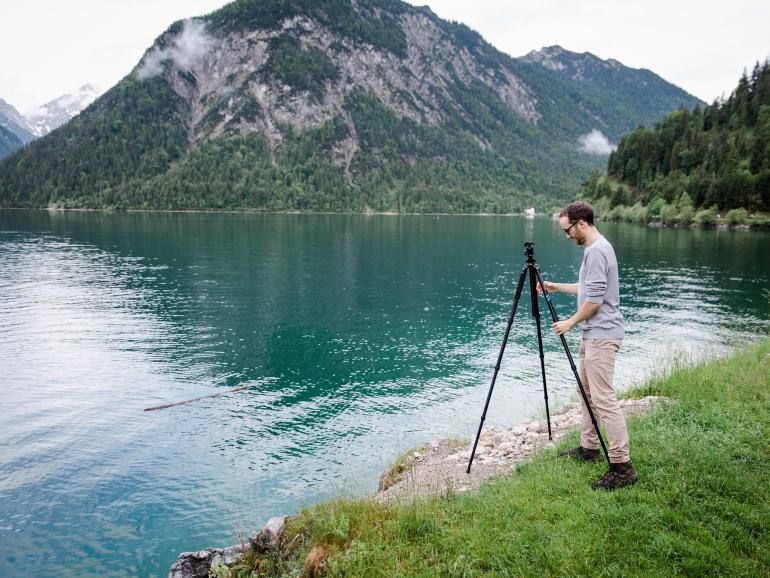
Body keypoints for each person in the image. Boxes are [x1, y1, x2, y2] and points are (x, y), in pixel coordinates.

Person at [539, 201, 638, 490]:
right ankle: (589, 448)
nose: (567, 235)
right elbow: (589, 289)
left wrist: (569, 323)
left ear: (581, 223)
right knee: (586, 393)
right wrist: (555, 286)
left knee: (604, 398)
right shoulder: (595, 249)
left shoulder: (597, 252)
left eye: (567, 230)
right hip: (594, 333)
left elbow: (594, 302)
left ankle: (622, 467)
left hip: (602, 336)